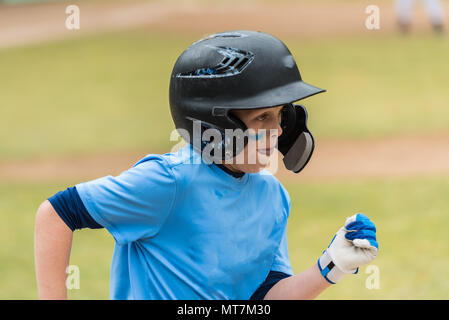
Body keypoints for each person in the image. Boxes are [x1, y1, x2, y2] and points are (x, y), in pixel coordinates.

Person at [34, 30, 378, 300]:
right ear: (215, 124)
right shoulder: (168, 182)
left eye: (280, 116)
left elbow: (262, 296)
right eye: (262, 117)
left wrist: (331, 265)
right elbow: (56, 214)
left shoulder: (272, 195)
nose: (277, 131)